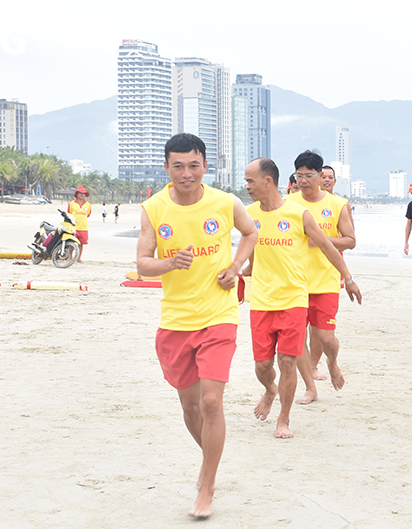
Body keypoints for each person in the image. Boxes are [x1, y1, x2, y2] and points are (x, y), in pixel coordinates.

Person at [136, 133, 257, 518]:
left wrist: (235, 268)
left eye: (193, 165)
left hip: (219, 314)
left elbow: (251, 232)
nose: (186, 173)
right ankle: (211, 462)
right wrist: (170, 263)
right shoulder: (153, 208)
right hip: (175, 321)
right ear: (167, 167)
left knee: (210, 401)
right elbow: (142, 263)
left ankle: (206, 484)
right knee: (190, 407)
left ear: (205, 165)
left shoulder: (225, 202)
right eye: (178, 166)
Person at [242, 157, 362, 439]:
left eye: (250, 181)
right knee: (262, 366)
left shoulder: (299, 214)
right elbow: (247, 246)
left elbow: (328, 247)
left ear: (267, 181)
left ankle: (283, 420)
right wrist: (241, 268)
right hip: (261, 300)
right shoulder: (248, 214)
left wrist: (349, 279)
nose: (246, 186)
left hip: (295, 298)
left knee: (287, 360)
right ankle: (270, 389)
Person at [286, 151, 356, 404]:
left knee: (326, 337)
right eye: (299, 176)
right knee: (296, 340)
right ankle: (310, 387)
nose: (303, 180)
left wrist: (320, 240)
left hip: (326, 280)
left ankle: (332, 363)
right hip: (294, 282)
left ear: (320, 176)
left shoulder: (336, 205)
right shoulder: (287, 204)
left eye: (309, 175)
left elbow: (350, 241)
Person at [68, 186, 91, 263]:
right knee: (71, 243)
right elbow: (69, 214)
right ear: (77, 194)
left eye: (83, 193)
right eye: (80, 193)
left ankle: (79, 258)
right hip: (74, 227)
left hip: (83, 227)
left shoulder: (88, 204)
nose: (82, 195)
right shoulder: (72, 203)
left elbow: (88, 214)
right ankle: (70, 257)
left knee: (81, 244)